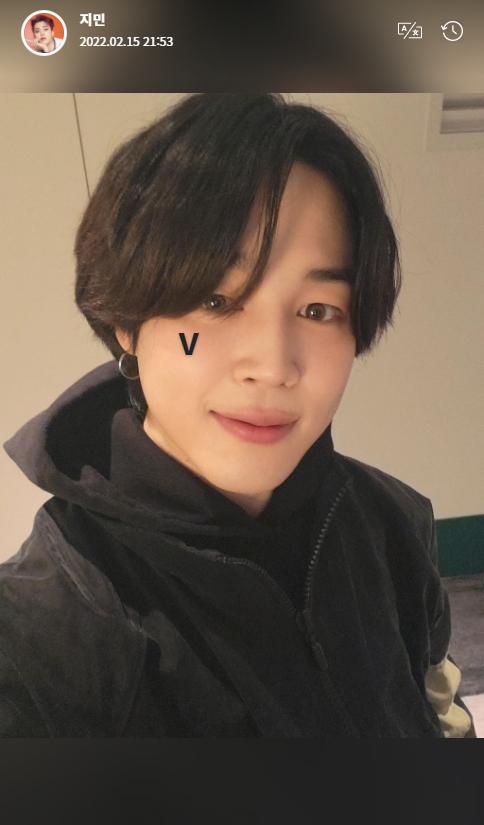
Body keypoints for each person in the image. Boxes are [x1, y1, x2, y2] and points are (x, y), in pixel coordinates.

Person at [1, 93, 476, 737]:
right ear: (126, 324)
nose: (273, 366)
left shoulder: (395, 521)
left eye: (317, 310)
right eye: (216, 301)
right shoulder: (42, 636)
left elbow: (438, 708)